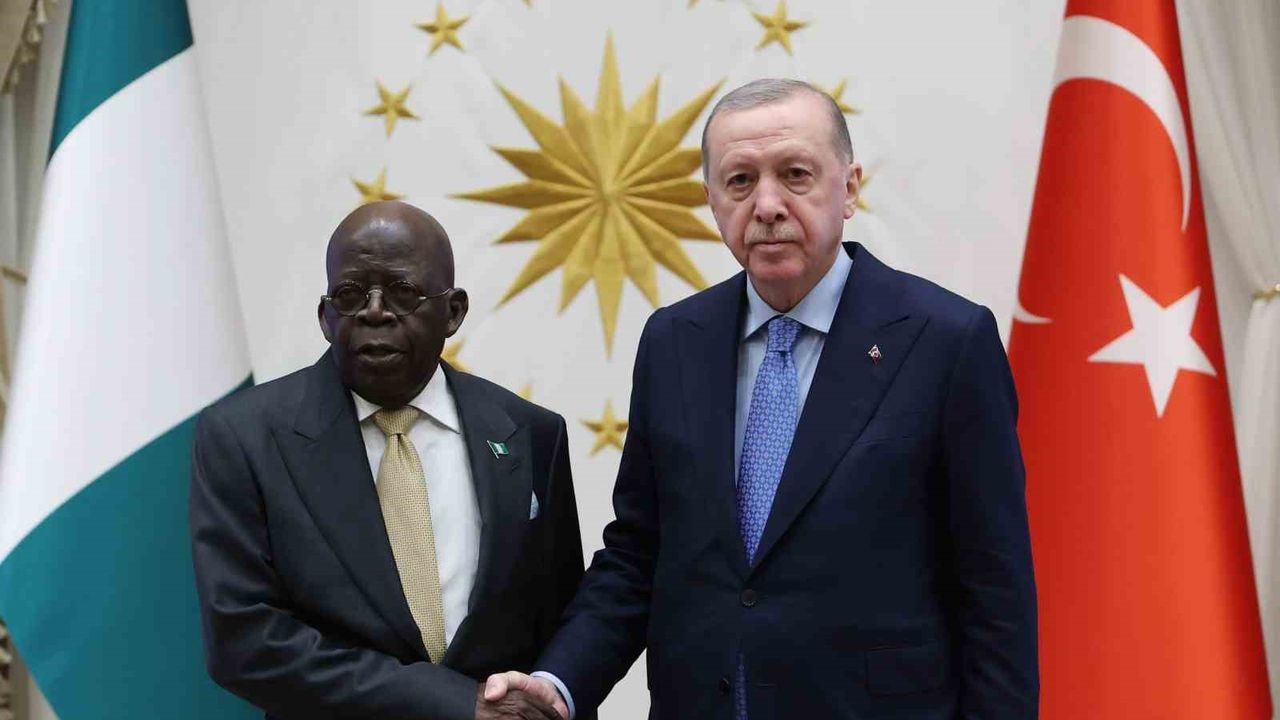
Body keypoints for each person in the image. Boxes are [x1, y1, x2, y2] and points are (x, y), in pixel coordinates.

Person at [486, 79, 1039, 719]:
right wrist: (558, 684)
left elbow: (994, 589)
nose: (767, 205)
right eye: (741, 181)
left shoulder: (946, 340)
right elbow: (640, 554)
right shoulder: (674, 341)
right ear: (712, 200)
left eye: (795, 174)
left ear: (850, 188)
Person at [189, 201, 585, 720]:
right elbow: (245, 641)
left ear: (453, 312)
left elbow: (560, 629)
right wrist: (452, 704)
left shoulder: (530, 433)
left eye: (402, 291)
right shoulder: (244, 438)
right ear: (326, 317)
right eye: (350, 295)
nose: (375, 312)